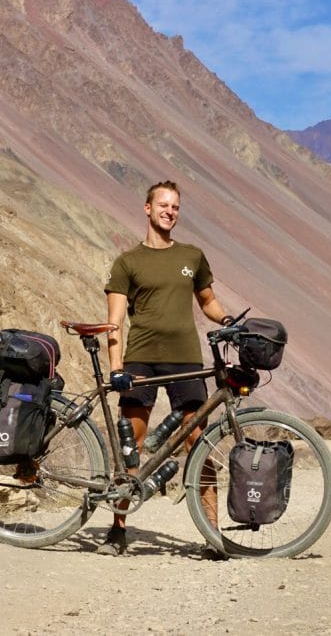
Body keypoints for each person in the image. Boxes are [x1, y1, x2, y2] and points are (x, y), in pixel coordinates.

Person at [98, 180, 233, 556]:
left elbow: (208, 301)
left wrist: (227, 320)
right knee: (132, 446)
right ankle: (118, 530)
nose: (170, 212)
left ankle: (213, 535)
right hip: (141, 358)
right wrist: (116, 368)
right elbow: (114, 322)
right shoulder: (128, 262)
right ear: (147, 208)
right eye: (163, 205)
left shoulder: (193, 256)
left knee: (200, 444)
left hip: (186, 358)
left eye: (175, 207)